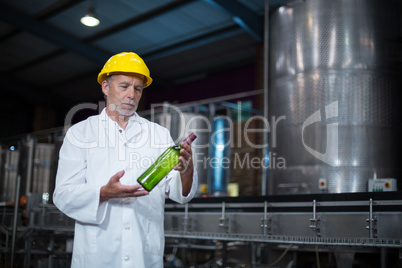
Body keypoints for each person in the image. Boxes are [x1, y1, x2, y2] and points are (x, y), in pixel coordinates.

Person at [53, 52, 198, 267]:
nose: (132, 94)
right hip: (97, 256)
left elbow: (179, 194)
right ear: (105, 86)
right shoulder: (81, 133)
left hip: (144, 254)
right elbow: (63, 194)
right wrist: (103, 193)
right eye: (124, 86)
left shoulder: (158, 134)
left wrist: (186, 171)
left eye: (138, 89)